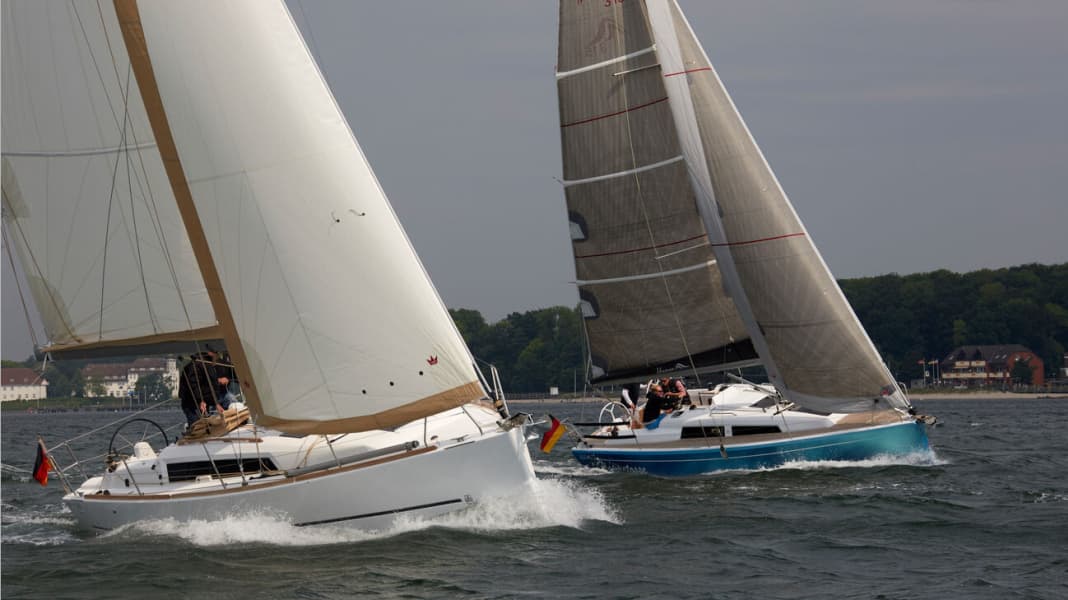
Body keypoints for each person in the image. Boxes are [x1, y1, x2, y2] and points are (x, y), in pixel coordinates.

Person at [178, 350, 227, 427]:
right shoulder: (196, 366)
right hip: (192, 404)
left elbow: (209, 386)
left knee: (205, 426)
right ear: (211, 354)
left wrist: (216, 404)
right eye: (216, 354)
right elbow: (193, 385)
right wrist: (200, 400)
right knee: (198, 426)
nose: (217, 357)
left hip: (202, 403)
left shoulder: (206, 365)